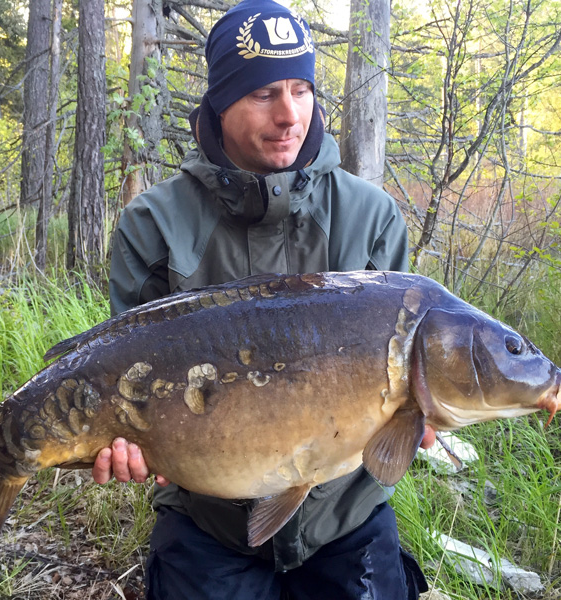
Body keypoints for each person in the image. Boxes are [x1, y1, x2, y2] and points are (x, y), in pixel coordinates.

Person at [95, 0, 433, 597]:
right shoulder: (153, 225)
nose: (289, 115)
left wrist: (418, 417)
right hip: (207, 519)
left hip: (344, 519)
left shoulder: (371, 218)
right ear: (220, 103)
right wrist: (126, 442)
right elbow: (125, 376)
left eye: (301, 90)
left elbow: (403, 398)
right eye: (263, 94)